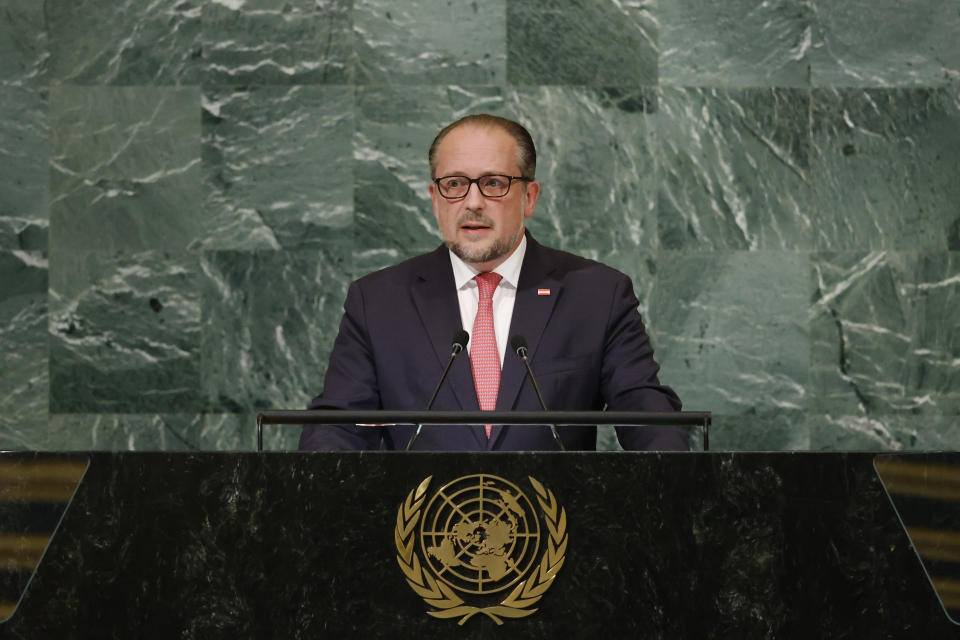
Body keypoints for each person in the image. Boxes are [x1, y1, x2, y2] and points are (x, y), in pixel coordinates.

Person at [299, 114, 687, 451]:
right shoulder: (378, 302)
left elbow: (644, 411)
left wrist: (677, 476)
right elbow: (337, 427)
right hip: (422, 529)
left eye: (494, 183)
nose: (472, 202)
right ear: (435, 199)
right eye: (454, 184)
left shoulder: (597, 295)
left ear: (529, 198)